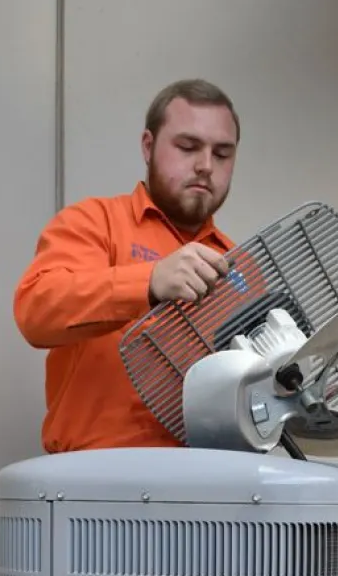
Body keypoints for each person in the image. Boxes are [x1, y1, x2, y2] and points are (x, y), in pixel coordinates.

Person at [13, 79, 240, 452]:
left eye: (222, 154)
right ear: (148, 147)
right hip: (93, 480)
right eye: (187, 147)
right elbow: (36, 310)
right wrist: (148, 283)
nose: (204, 166)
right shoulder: (93, 223)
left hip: (204, 488)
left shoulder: (240, 266)